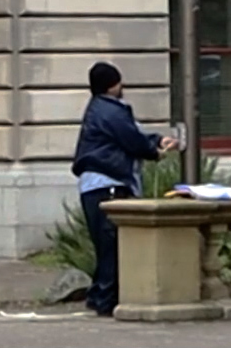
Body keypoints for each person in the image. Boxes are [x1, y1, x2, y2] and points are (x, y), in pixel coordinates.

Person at [71, 61, 178, 317]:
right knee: (113, 248)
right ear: (114, 84)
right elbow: (131, 139)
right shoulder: (112, 111)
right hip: (109, 184)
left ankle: (98, 298)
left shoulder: (97, 109)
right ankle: (106, 302)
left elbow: (129, 135)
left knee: (104, 246)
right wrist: (154, 150)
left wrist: (154, 141)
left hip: (92, 185)